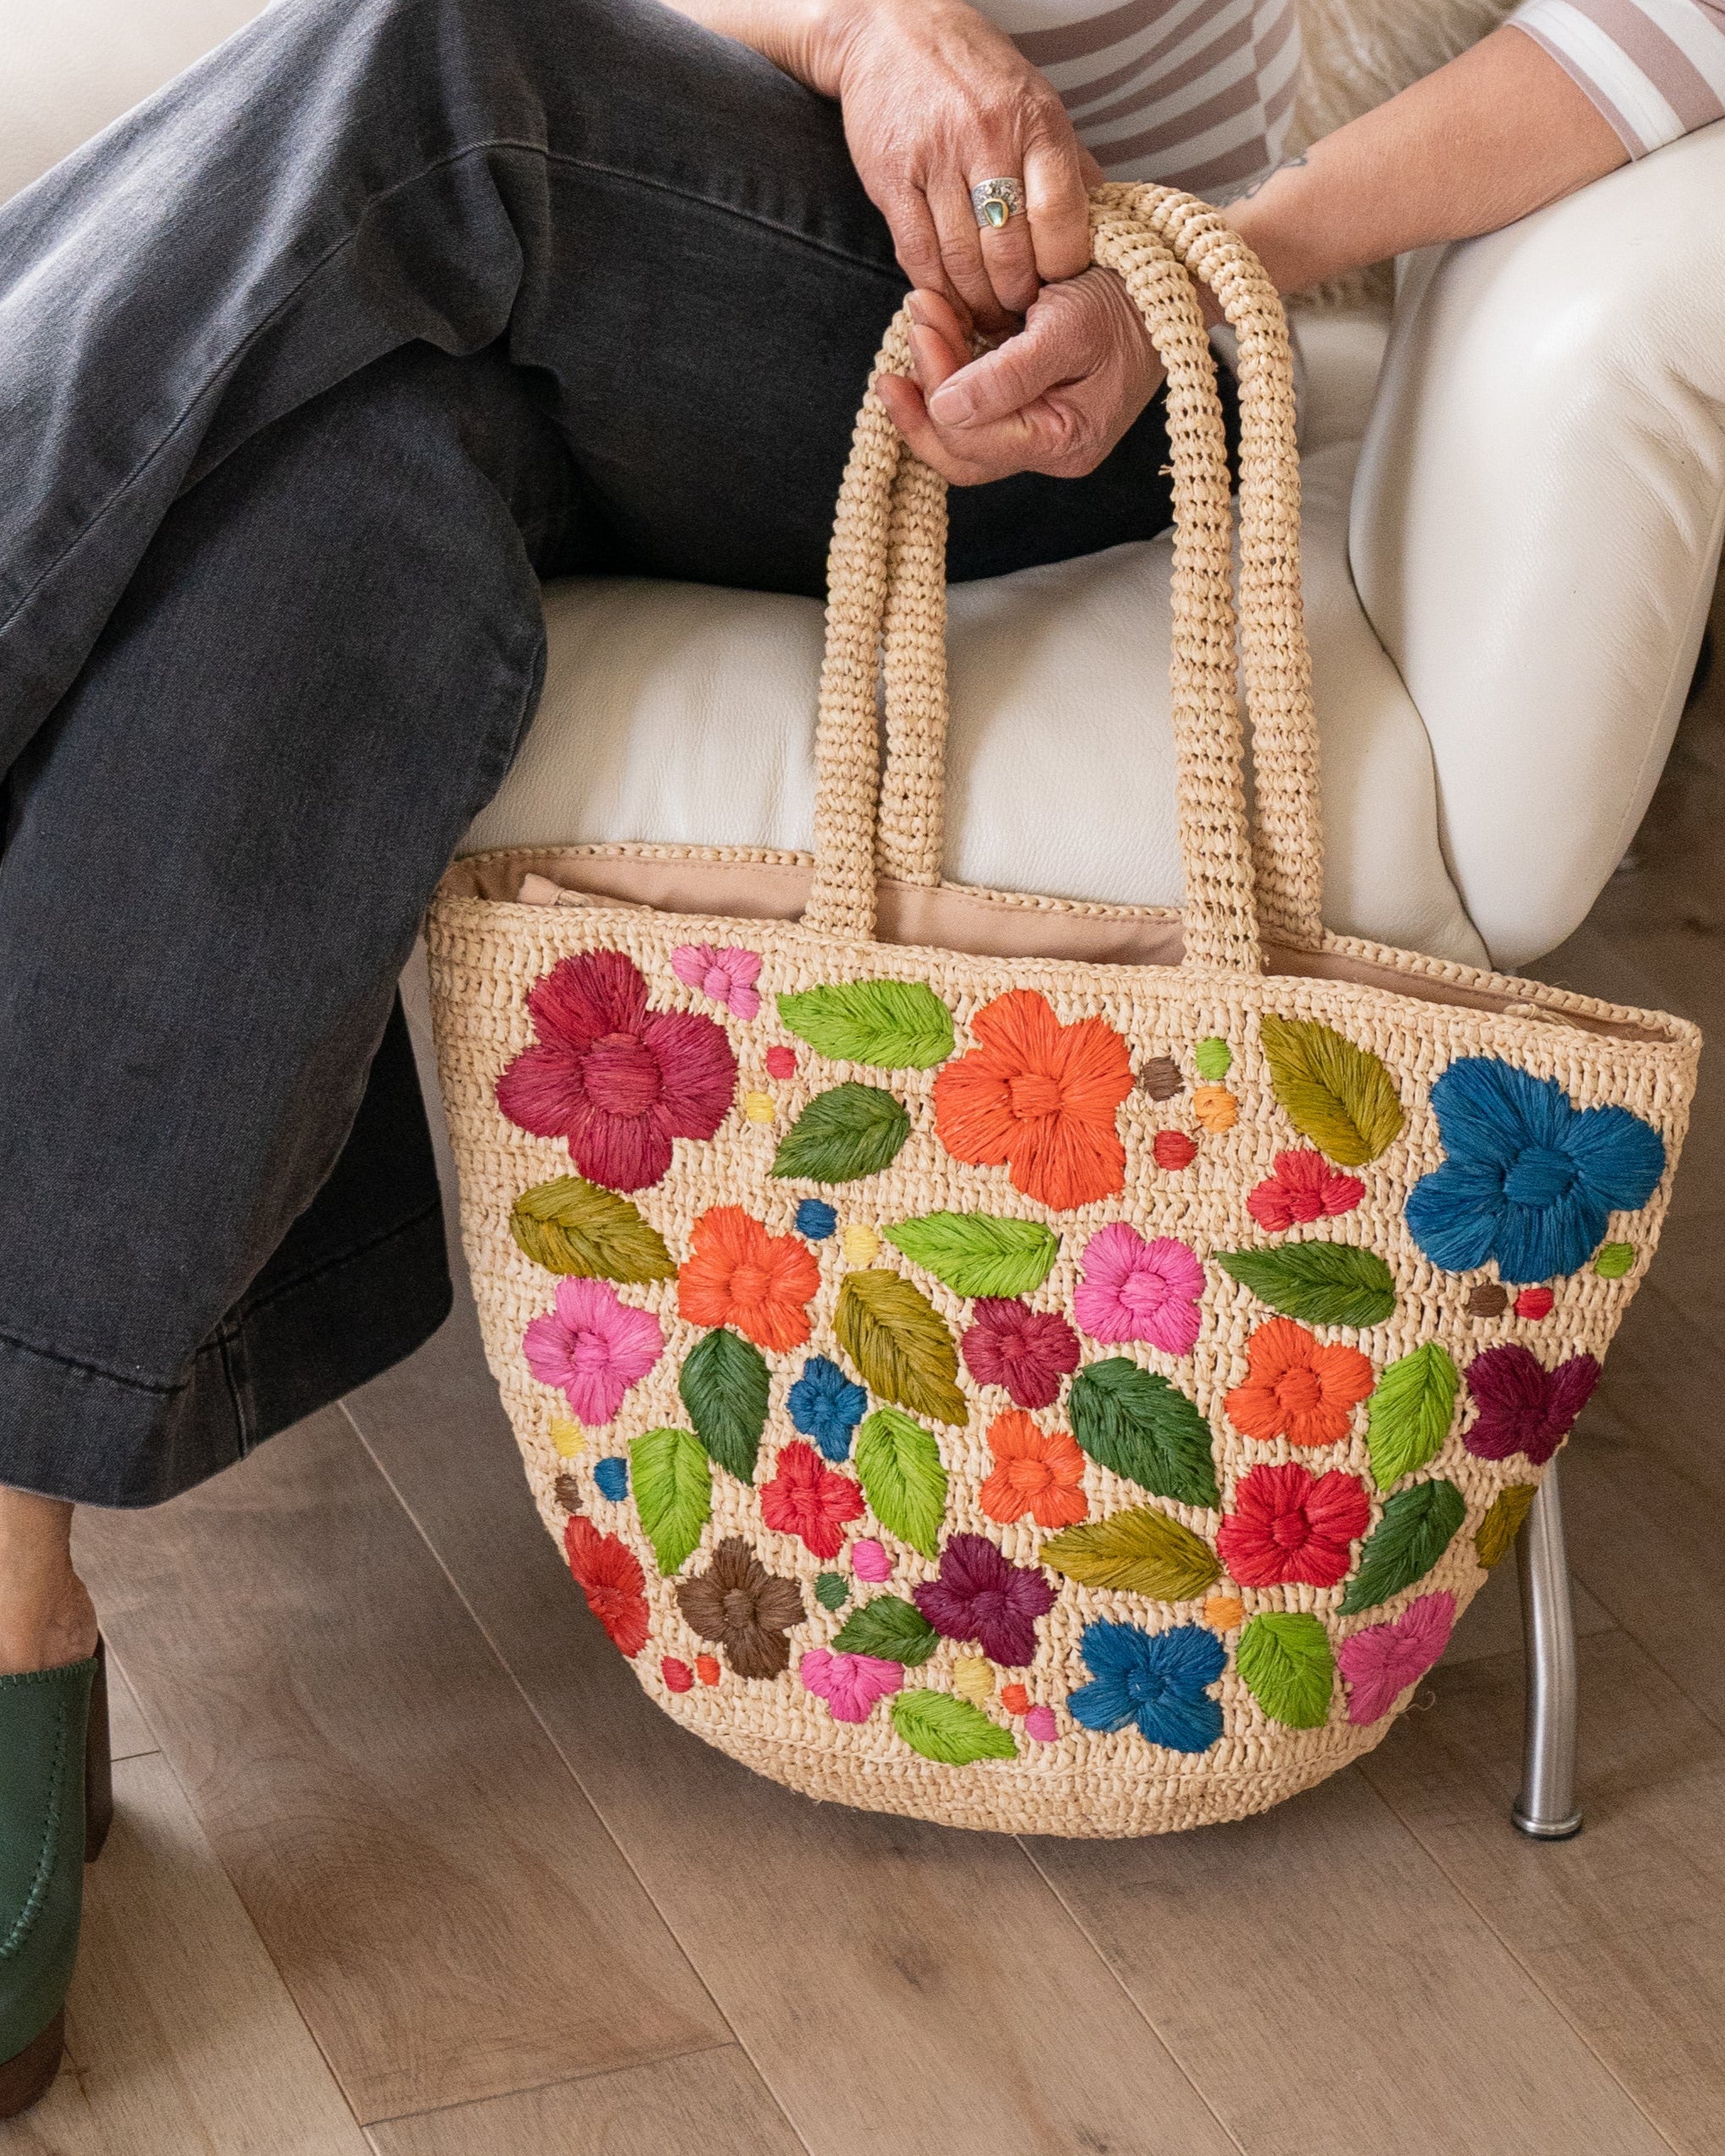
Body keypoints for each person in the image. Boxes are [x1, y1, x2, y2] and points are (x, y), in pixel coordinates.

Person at [1, 0, 1719, 2115]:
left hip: (1042, 333)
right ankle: (10, 1587)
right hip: (641, 192)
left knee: (439, 67)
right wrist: (854, 28)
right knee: (356, 482)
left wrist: (1225, 266)